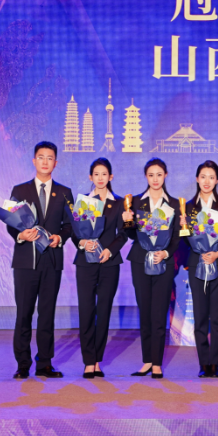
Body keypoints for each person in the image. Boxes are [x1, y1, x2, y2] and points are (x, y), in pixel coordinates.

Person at [6, 141, 73, 379]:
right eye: (41, 157)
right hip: (25, 262)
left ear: (56, 162)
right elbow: (10, 223)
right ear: (34, 161)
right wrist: (20, 235)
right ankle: (22, 364)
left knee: (47, 313)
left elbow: (70, 225)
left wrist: (60, 237)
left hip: (51, 261)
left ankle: (44, 363)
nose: (45, 162)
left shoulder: (64, 192)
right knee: (24, 313)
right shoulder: (19, 190)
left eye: (50, 158)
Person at [124, 158, 181, 379]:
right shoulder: (135, 202)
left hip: (163, 262)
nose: (155, 179)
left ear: (165, 175)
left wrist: (165, 253)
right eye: (151, 175)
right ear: (145, 177)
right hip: (140, 261)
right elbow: (131, 235)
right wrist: (127, 221)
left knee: (159, 312)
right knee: (145, 312)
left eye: (159, 174)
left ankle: (157, 363)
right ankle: (147, 361)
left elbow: (176, 237)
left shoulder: (174, 204)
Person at [72, 158, 127, 379]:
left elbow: (123, 234)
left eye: (104, 174)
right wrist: (82, 242)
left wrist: (110, 250)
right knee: (86, 310)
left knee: (103, 311)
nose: (100, 178)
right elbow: (75, 231)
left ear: (110, 176)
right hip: (85, 263)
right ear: (90, 177)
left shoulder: (119, 203)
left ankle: (96, 360)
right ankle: (88, 361)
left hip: (109, 263)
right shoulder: (84, 201)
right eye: (96, 174)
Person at [179, 161, 218, 378]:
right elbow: (183, 241)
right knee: (200, 317)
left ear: (217, 180)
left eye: (211, 177)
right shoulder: (187, 207)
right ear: (197, 179)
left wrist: (217, 253)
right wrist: (182, 228)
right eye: (203, 176)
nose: (207, 181)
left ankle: (215, 363)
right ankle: (204, 363)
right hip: (197, 265)